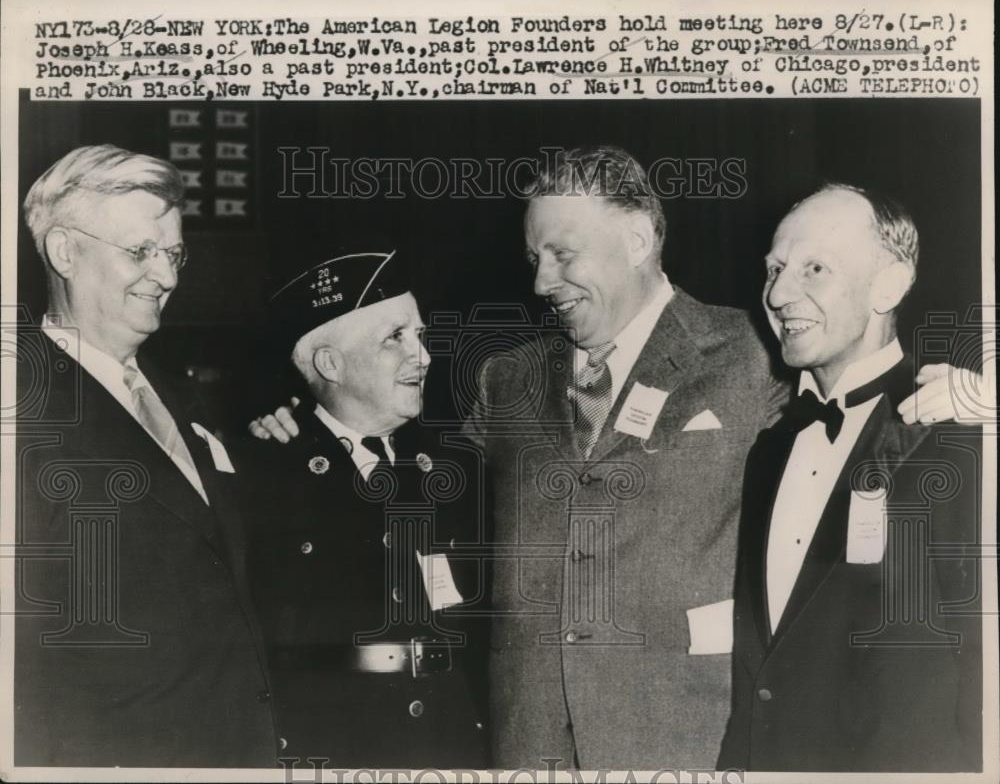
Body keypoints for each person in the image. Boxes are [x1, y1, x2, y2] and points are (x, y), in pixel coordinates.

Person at [250, 146, 982, 770]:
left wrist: (972, 392)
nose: (541, 282)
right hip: (526, 748)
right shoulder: (506, 377)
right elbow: (398, 469)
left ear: (638, 239)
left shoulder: (754, 353)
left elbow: (861, 395)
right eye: (535, 258)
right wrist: (298, 425)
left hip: (689, 744)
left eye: (564, 254)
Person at [15, 145, 277, 766]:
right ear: (65, 253)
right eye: (140, 252)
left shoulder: (181, 393)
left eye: (173, 252)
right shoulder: (23, 413)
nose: (168, 276)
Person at [716, 185, 982, 772]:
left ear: (888, 285)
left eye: (814, 268)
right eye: (775, 269)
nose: (780, 294)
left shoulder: (957, 433)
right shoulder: (769, 447)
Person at [244, 250, 490, 769]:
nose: (422, 356)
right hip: (334, 746)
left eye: (418, 335)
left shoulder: (455, 465)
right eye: (395, 337)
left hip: (450, 743)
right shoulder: (259, 472)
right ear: (330, 364)